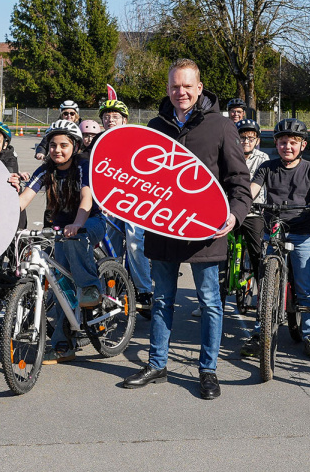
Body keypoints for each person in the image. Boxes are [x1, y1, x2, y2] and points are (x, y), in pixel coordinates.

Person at [121, 59, 252, 400]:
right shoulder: (154, 126)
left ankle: (208, 370)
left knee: (210, 302)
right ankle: (157, 364)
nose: (181, 92)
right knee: (163, 299)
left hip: (204, 233)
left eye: (187, 86)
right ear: (168, 89)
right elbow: (139, 180)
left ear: (199, 88)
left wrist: (235, 215)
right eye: (175, 86)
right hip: (162, 230)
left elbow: (239, 180)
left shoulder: (221, 126)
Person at [12, 119, 106, 364]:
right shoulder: (46, 170)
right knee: (60, 284)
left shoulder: (84, 164)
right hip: (61, 229)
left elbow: (87, 197)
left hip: (90, 221)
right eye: (53, 145)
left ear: (74, 146)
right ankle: (64, 346)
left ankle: (91, 291)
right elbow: (24, 199)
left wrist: (78, 223)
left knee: (77, 242)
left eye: (64, 145)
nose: (57, 150)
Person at [246, 119, 310, 363]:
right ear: (276, 143)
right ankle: (258, 331)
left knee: (305, 286)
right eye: (283, 142)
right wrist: (242, 201)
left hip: (302, 232)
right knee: (264, 283)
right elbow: (252, 189)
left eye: (293, 143)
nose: (287, 147)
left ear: (303, 145)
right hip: (274, 231)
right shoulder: (267, 167)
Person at [91, 97, 153, 314]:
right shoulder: (96, 142)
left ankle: (144, 290)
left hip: (134, 200)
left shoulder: (134, 139)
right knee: (109, 244)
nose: (110, 120)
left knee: (135, 240)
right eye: (106, 117)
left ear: (124, 120)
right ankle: (114, 283)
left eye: (115, 117)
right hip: (108, 201)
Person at [234, 118, 270, 356]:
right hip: (230, 209)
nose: (246, 141)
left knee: (259, 255)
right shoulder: (229, 154)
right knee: (215, 251)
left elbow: (259, 186)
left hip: (254, 210)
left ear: (257, 140)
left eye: (250, 138)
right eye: (242, 137)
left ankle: (262, 295)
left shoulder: (263, 159)